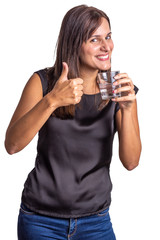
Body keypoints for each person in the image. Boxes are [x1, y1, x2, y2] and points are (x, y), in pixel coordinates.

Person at [5, 4, 142, 240]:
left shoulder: (115, 88)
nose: (106, 46)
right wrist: (52, 101)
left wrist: (128, 108)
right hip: (40, 221)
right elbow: (12, 145)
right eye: (94, 39)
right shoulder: (44, 82)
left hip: (95, 222)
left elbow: (131, 162)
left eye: (108, 37)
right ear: (75, 43)